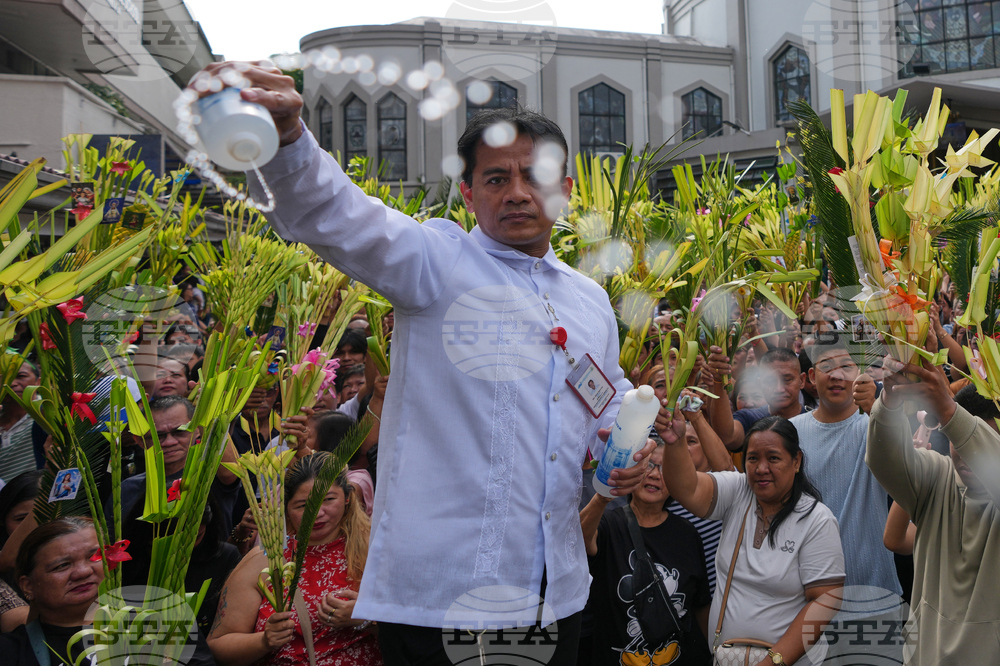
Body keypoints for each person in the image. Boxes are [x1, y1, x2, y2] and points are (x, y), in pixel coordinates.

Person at [192, 62, 650, 664]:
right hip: (443, 597)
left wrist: (623, 442)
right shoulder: (437, 265)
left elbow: (604, 395)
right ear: (467, 192)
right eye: (494, 178)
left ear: (564, 187)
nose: (516, 192)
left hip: (555, 592)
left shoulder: (588, 298)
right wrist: (287, 143)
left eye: (533, 176)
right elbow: (341, 218)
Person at [657, 410, 845, 665]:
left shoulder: (817, 520)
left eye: (774, 458)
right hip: (728, 658)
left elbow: (823, 602)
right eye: (753, 458)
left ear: (796, 461)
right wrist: (674, 441)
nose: (761, 468)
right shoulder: (738, 491)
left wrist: (773, 661)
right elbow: (686, 488)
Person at [867, 360, 1000, 663]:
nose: (964, 454)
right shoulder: (937, 476)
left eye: (974, 440)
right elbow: (884, 459)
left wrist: (949, 409)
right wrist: (890, 399)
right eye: (956, 441)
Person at [207, 452, 382, 666]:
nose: (317, 513)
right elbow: (218, 644)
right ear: (287, 509)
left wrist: (366, 617)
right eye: (302, 505)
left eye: (328, 499)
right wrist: (264, 641)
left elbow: (420, 627)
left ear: (347, 498)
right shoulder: (265, 561)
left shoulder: (376, 551)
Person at [0, 517, 212, 665]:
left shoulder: (160, 618)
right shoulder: (12, 653)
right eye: (62, 566)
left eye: (95, 557)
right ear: (27, 585)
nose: (82, 572)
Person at [581, 441, 713, 666]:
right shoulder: (609, 525)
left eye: (664, 469)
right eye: (648, 465)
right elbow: (581, 540)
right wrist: (603, 496)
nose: (654, 475)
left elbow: (700, 604)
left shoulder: (687, 533)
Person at [789, 337, 902, 597]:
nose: (837, 375)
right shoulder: (792, 432)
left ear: (861, 373)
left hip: (875, 586)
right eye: (827, 366)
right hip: (809, 588)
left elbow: (904, 462)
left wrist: (876, 409)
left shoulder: (875, 424)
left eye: (847, 366)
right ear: (810, 376)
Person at [107, 395, 241, 536]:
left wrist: (210, 410)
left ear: (197, 430)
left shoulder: (210, 477)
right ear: (140, 441)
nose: (169, 442)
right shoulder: (127, 489)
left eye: (179, 432)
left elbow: (231, 472)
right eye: (158, 436)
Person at [708, 347, 808, 450]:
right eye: (770, 381)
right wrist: (719, 380)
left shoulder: (815, 421)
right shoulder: (749, 418)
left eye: (787, 380)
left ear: (802, 380)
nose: (779, 389)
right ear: (760, 383)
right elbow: (727, 438)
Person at [0, 361, 40, 483]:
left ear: (38, 382)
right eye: (4, 378)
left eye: (21, 376)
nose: (12, 383)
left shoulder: (48, 417)